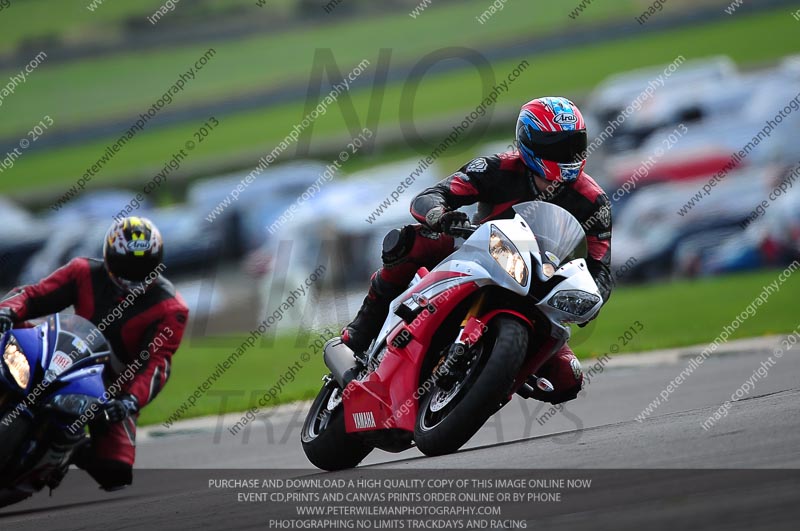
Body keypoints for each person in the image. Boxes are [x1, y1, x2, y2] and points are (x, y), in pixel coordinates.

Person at [341, 97, 612, 405]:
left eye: (574, 144)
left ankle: (497, 377)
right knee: (411, 241)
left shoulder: (593, 202)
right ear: (529, 141)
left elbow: (601, 267)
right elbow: (432, 195)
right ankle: (359, 335)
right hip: (478, 253)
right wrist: (440, 215)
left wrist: (591, 299)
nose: (568, 154)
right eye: (557, 145)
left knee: (567, 380)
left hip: (539, 286)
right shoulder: (496, 167)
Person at [0, 217, 188, 490]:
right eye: (127, 265)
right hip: (57, 350)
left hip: (109, 387)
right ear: (110, 256)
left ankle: (69, 449)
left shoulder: (170, 309)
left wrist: (129, 401)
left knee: (115, 471)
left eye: (143, 267)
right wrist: (8, 310)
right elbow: (33, 295)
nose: (134, 275)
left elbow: (157, 366)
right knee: (7, 333)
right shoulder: (82, 272)